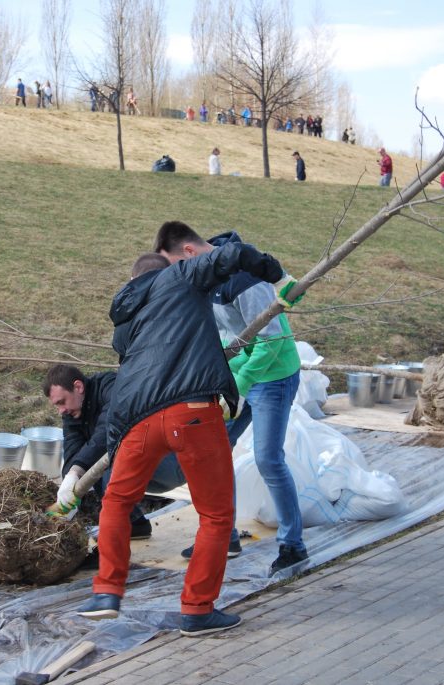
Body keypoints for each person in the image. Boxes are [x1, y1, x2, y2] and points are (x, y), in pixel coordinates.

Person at [75, 236, 292, 636]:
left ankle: (106, 591)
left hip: (136, 421)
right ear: (169, 268)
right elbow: (234, 254)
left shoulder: (126, 321)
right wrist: (274, 274)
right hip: (190, 412)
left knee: (117, 502)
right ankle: (197, 608)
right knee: (215, 515)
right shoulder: (179, 276)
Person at [155, 224, 309, 576]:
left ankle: (293, 546)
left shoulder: (244, 280)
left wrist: (238, 383)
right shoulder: (206, 280)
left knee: (268, 459)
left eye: (177, 265)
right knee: (216, 451)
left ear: (190, 253)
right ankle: (224, 536)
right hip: (241, 373)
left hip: (273, 375)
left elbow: (269, 341)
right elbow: (229, 339)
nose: (177, 275)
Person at [43, 364, 187, 540]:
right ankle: (135, 525)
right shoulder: (72, 414)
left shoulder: (112, 388)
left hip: (172, 463)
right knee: (97, 468)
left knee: (111, 463)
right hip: (140, 471)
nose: (61, 410)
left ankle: (114, 535)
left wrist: (75, 471)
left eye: (61, 402)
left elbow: (109, 429)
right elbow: (74, 452)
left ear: (78, 387)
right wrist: (69, 486)